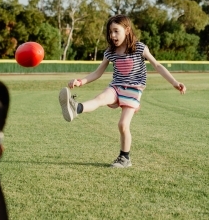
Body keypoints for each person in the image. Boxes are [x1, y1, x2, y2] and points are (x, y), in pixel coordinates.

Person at [58, 14, 186, 168]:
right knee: (100, 98)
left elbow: (157, 65)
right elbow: (97, 73)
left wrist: (174, 82)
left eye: (116, 31)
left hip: (133, 89)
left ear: (127, 30)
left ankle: (125, 159)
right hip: (116, 86)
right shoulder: (110, 52)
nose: (112, 35)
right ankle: (75, 107)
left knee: (123, 125)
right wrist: (80, 81)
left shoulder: (139, 48)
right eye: (110, 32)